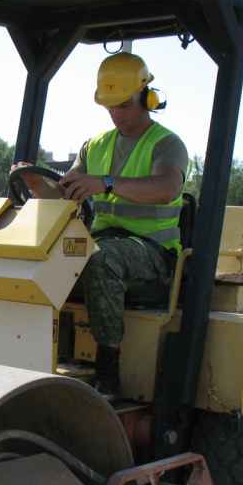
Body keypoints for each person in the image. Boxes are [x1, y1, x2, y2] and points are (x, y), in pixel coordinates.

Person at [60, 53, 189, 397]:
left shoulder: (166, 144)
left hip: (153, 255)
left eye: (123, 104)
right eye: (109, 106)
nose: (115, 113)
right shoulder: (95, 146)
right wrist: (31, 180)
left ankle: (107, 373)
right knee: (48, 252)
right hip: (105, 240)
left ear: (146, 97)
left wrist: (105, 182)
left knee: (101, 259)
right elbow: (65, 192)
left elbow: (166, 189)